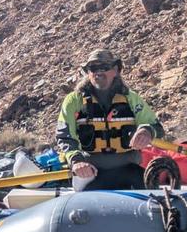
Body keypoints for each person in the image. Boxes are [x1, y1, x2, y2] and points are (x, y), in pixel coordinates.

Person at [55, 49, 164, 190]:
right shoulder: (73, 101)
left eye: (104, 67)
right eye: (93, 68)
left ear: (115, 70)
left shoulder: (131, 98)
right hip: (90, 172)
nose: (98, 72)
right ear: (88, 72)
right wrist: (76, 161)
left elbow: (157, 127)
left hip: (129, 169)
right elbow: (65, 137)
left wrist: (146, 131)